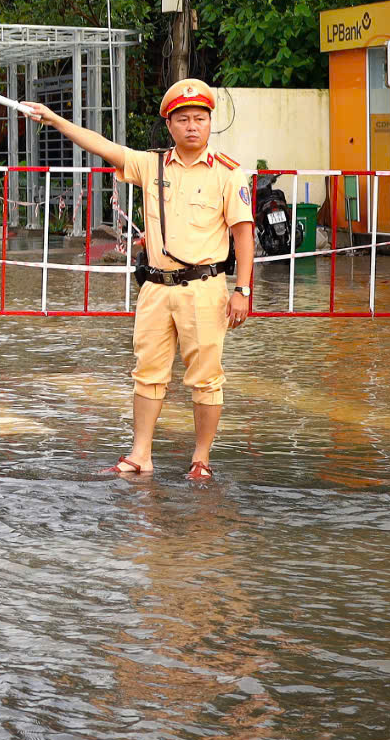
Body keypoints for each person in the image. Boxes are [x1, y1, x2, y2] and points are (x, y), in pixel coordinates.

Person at [22, 79, 255, 479]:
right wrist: (54, 119)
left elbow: (243, 234)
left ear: (210, 122)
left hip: (204, 287)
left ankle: (201, 459)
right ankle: (140, 454)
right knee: (147, 372)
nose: (192, 126)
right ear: (170, 125)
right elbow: (100, 145)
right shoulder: (151, 165)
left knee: (206, 378)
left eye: (200, 118)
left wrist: (243, 290)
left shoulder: (229, 174)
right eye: (183, 119)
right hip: (155, 288)